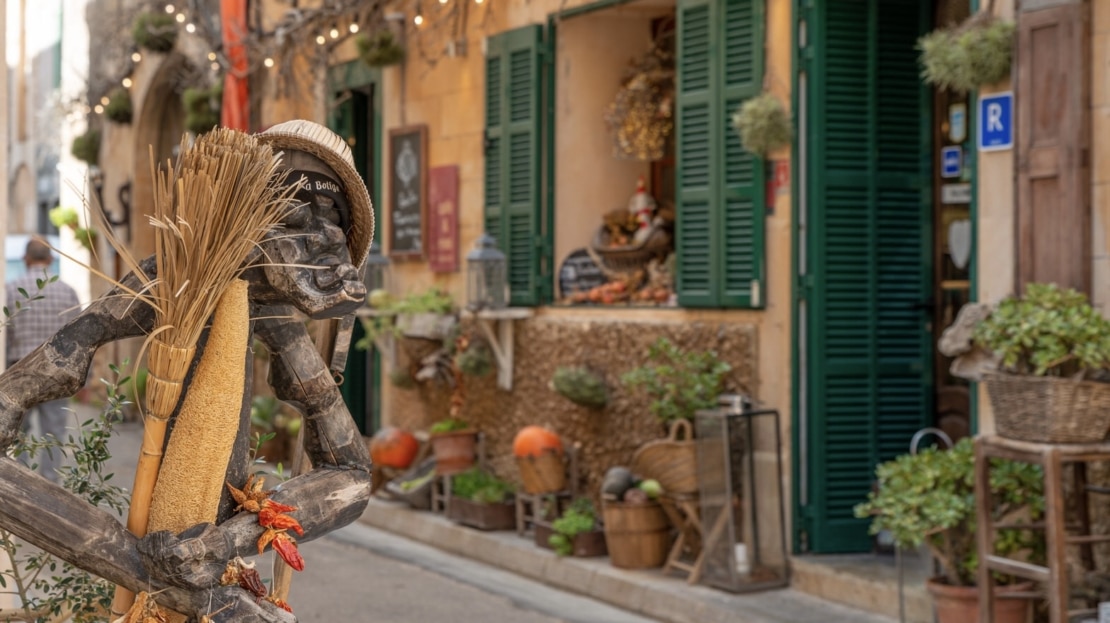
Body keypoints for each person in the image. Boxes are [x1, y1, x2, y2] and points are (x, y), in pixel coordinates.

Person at [0, 120, 375, 623]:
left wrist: (227, 541)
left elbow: (351, 477)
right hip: (162, 566)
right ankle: (160, 581)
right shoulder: (174, 277)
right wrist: (11, 398)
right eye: (294, 207)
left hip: (216, 553)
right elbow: (73, 343)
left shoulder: (278, 319)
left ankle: (177, 582)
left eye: (332, 215)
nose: (322, 231)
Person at [4, 238, 81, 482]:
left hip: (19, 371)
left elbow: (6, 335)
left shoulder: (12, 289)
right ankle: (51, 486)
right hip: (57, 375)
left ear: (26, 259)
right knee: (54, 435)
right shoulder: (67, 291)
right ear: (50, 259)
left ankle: (22, 484)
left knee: (18, 434)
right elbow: (79, 337)